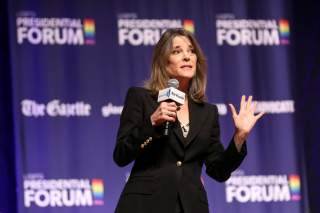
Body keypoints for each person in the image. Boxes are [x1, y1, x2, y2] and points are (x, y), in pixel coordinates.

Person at [113, 28, 264, 213]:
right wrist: (152, 123)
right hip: (144, 205)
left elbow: (219, 171)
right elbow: (121, 155)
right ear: (163, 61)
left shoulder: (207, 112)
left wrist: (239, 137)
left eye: (191, 51)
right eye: (177, 51)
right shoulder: (141, 98)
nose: (187, 56)